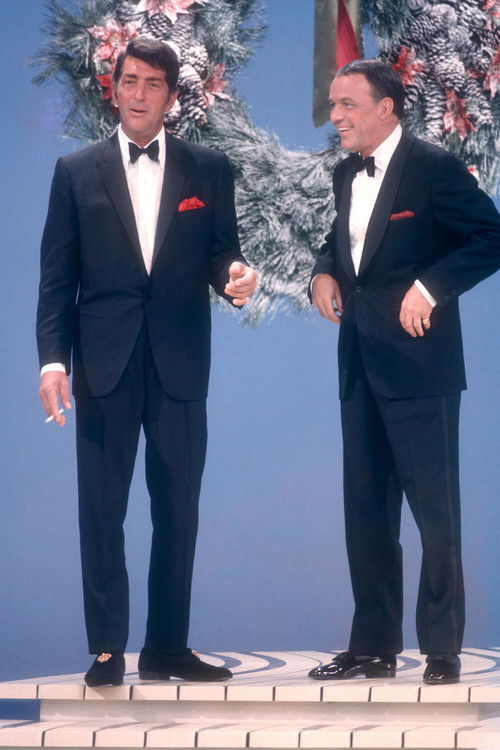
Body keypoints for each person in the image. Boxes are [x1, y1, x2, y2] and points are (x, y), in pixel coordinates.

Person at [37, 37, 257, 687]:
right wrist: (51, 363)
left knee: (178, 509)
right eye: (129, 81)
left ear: (171, 96)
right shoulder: (75, 171)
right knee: (102, 508)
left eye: (152, 84)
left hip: (180, 362)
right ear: (114, 89)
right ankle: (107, 649)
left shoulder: (207, 168)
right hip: (103, 364)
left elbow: (222, 252)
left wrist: (236, 276)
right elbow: (57, 280)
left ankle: (166, 647)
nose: (138, 94)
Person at [308, 59, 500, 684]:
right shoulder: (345, 172)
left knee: (435, 517)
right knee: (366, 513)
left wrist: (431, 287)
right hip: (360, 363)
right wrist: (323, 271)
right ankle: (372, 646)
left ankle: (441, 650)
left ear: (386, 107)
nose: (335, 116)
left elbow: (490, 237)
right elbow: (345, 241)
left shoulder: (433, 168)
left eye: (347, 104)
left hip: (422, 367)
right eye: (333, 104)